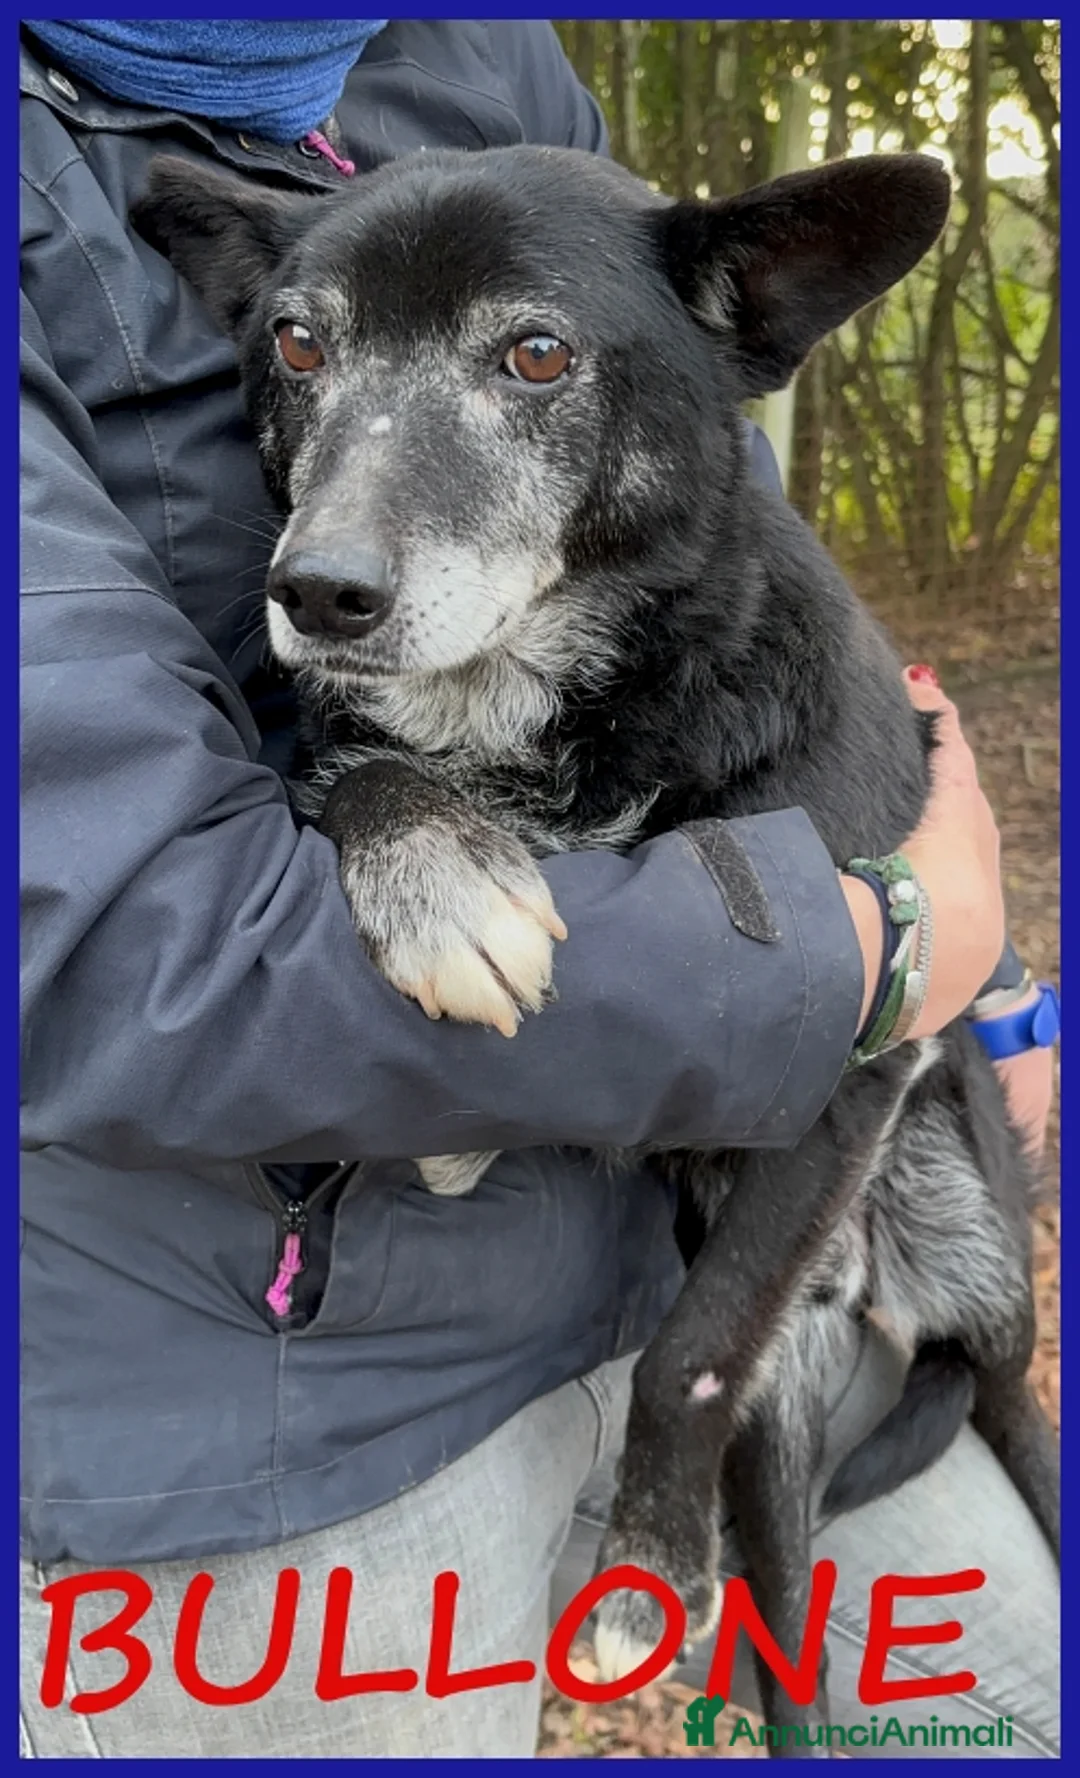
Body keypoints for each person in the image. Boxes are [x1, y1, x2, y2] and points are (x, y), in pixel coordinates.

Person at [19, 19, 1058, 1760]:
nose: (328, 544)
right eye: (304, 353)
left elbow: (721, 563)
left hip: (675, 1245)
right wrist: (884, 955)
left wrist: (978, 965)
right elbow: (108, 935)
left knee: (1014, 1712)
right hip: (293, 1421)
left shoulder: (476, 54)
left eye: (528, 356)